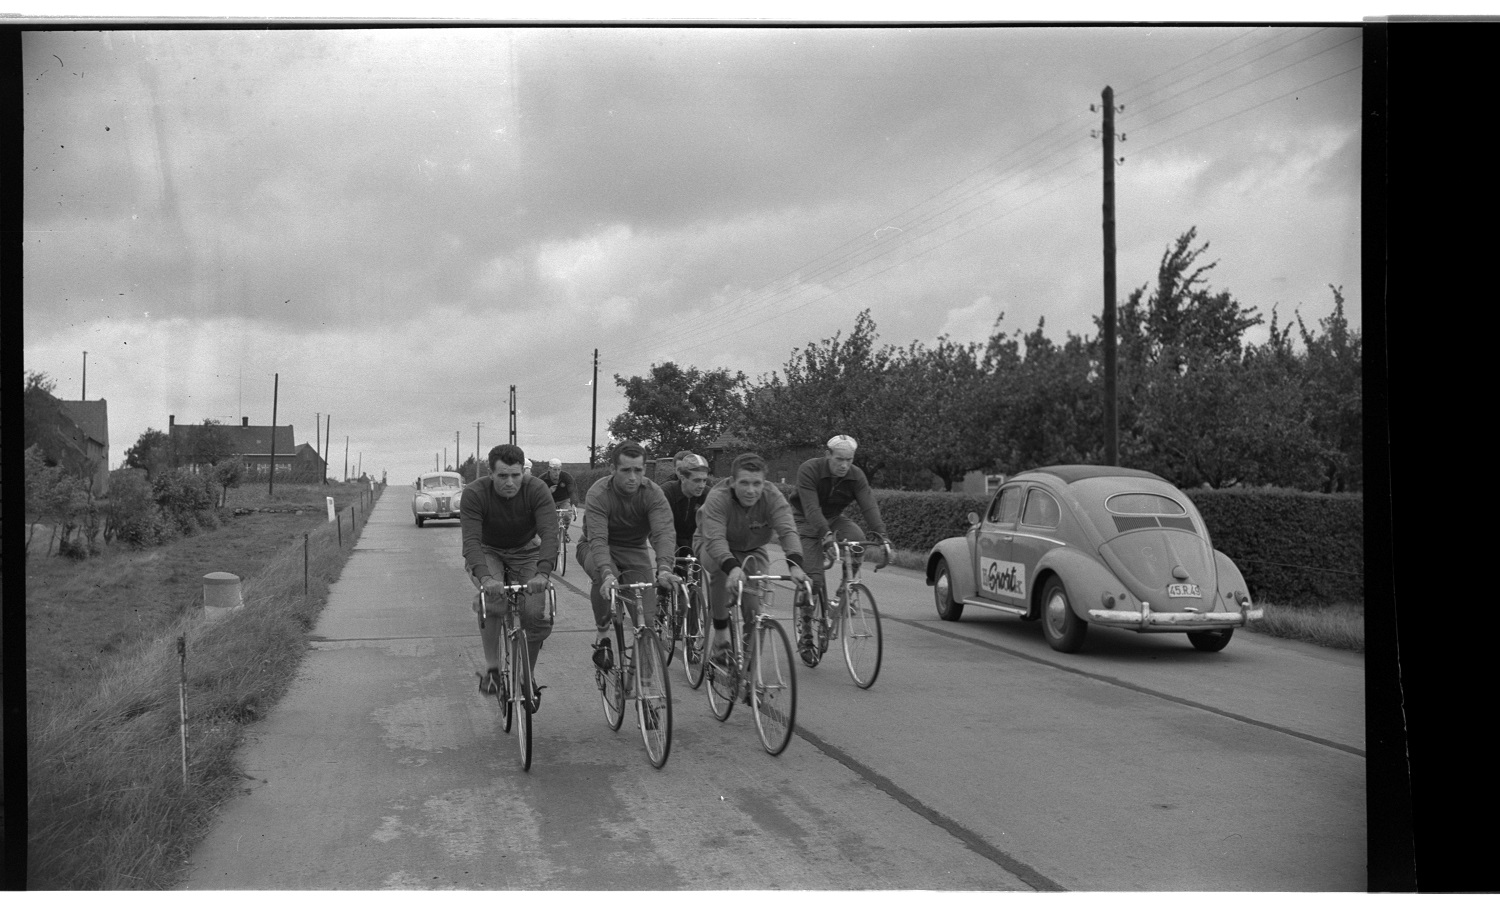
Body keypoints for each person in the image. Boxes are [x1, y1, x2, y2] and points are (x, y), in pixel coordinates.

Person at [460, 444, 559, 708]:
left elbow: (550, 532)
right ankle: (492, 670)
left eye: (516, 475)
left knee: (534, 612)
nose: (510, 482)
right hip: (487, 549)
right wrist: (485, 579)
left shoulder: (536, 489)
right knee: (493, 601)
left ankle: (527, 675)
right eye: (502, 476)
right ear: (490, 473)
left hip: (526, 550)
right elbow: (470, 541)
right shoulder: (474, 493)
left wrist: (543, 572)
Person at [697, 452, 809, 663]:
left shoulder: (772, 496)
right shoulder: (718, 497)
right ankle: (721, 637)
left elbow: (787, 530)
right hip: (712, 543)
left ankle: (748, 669)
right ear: (732, 482)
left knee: (754, 608)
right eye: (744, 483)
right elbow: (715, 540)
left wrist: (795, 565)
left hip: (752, 548)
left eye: (757, 483)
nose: (751, 490)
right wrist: (732, 567)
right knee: (721, 574)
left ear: (764, 483)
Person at [579, 440, 680, 670]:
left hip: (634, 550)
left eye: (638, 470)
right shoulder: (599, 493)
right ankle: (603, 634)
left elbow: (663, 533)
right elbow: (598, 539)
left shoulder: (652, 493)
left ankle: (647, 690)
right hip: (595, 546)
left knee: (647, 622)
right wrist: (606, 573)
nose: (633, 477)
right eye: (626, 470)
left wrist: (664, 568)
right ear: (613, 470)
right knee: (606, 574)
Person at [789, 434, 890, 663]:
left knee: (857, 541)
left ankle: (842, 595)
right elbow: (811, 508)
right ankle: (805, 634)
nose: (844, 465)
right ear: (828, 455)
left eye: (849, 459)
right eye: (839, 459)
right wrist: (825, 536)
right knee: (812, 581)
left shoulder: (855, 476)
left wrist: (882, 537)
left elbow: (869, 505)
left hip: (834, 519)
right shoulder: (810, 470)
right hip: (805, 519)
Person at [539, 457, 576, 528]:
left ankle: (565, 530)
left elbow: (572, 491)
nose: (557, 473)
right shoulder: (541, 479)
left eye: (559, 470)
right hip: (549, 501)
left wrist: (574, 504)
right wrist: (548, 491)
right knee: (547, 520)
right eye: (554, 470)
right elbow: (538, 495)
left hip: (564, 500)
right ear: (549, 469)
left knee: (567, 515)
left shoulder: (566, 477)